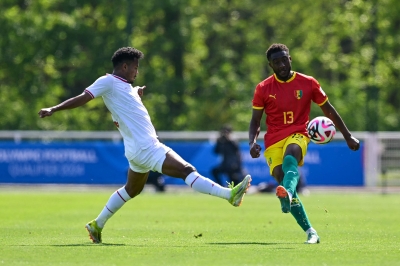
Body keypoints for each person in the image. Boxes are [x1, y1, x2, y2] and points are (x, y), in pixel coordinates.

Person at [38, 47, 252, 244]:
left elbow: (125, 110)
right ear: (124, 66)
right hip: (146, 147)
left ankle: (97, 224)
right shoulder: (108, 81)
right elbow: (84, 97)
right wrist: (54, 109)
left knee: (132, 189)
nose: (136, 71)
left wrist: (136, 94)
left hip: (135, 150)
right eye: (135, 67)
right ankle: (229, 195)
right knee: (186, 170)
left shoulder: (126, 88)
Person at [248, 43, 360, 244]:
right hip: (273, 140)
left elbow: (329, 110)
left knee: (292, 155)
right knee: (282, 178)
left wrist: (347, 135)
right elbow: (255, 120)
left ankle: (288, 193)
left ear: (290, 59)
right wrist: (252, 142)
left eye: (284, 60)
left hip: (299, 132)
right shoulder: (263, 88)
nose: (281, 64)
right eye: (276, 62)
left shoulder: (307, 83)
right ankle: (311, 231)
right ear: (270, 65)